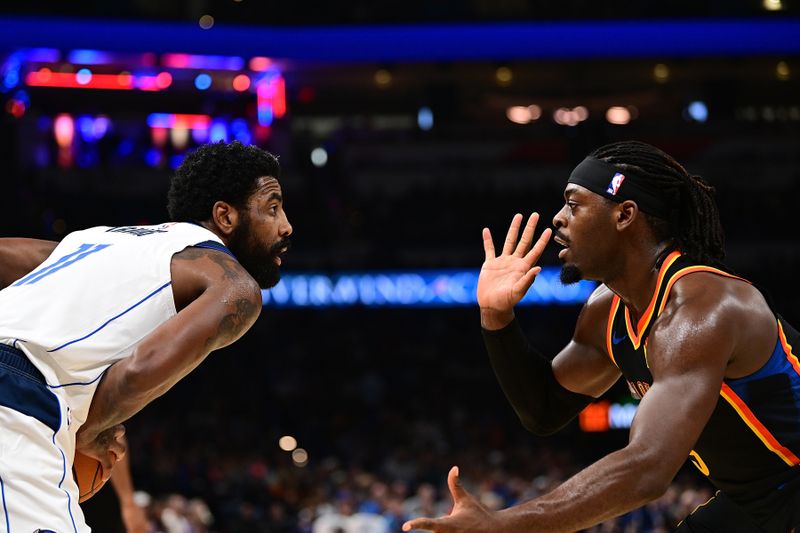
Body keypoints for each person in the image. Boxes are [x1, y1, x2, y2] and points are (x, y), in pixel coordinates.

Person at [403, 140, 800, 532]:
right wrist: (496, 316)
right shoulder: (607, 310)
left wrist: (504, 524)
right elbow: (544, 409)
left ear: (625, 214)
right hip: (757, 500)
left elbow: (647, 469)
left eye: (574, 206)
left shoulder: (702, 308)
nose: (557, 218)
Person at [0, 140, 292, 531]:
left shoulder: (101, 239)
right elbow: (140, 369)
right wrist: (93, 433)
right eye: (272, 208)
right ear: (225, 216)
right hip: (17, 395)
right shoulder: (235, 285)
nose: (286, 225)